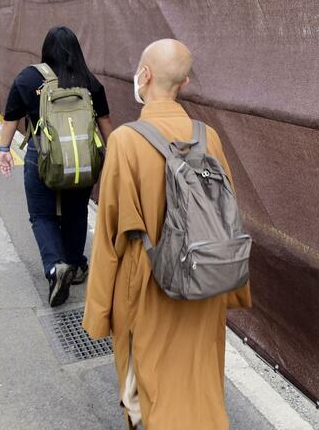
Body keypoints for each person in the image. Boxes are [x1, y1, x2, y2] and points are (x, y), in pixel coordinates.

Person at [83, 39, 252, 430]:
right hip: (203, 279)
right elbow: (227, 217)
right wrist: (232, 288)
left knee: (150, 386)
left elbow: (110, 235)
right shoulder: (207, 136)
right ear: (185, 82)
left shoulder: (125, 140)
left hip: (148, 283)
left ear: (144, 75)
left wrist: (99, 313)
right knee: (200, 382)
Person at [0, 26, 114, 307]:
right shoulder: (89, 81)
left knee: (42, 215)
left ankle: (55, 266)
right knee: (75, 213)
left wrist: (3, 151)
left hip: (43, 155)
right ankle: (74, 264)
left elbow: (10, 119)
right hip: (83, 159)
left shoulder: (28, 78)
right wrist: (114, 156)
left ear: (46, 49)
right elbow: (106, 124)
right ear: (76, 49)